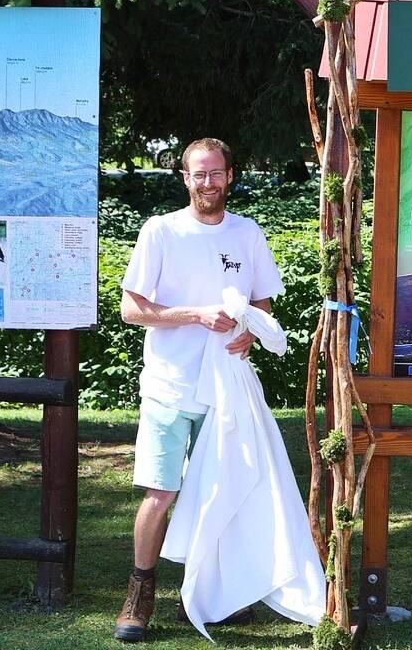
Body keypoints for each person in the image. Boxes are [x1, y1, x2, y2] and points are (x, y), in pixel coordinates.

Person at [114, 138, 285, 642]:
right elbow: (131, 309)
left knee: (220, 489)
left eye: (215, 174)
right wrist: (196, 314)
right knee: (161, 491)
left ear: (230, 175)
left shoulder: (248, 233)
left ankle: (216, 596)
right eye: (197, 174)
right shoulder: (161, 231)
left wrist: (251, 330)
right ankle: (139, 594)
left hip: (225, 390)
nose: (206, 183)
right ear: (184, 178)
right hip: (170, 385)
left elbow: (263, 304)